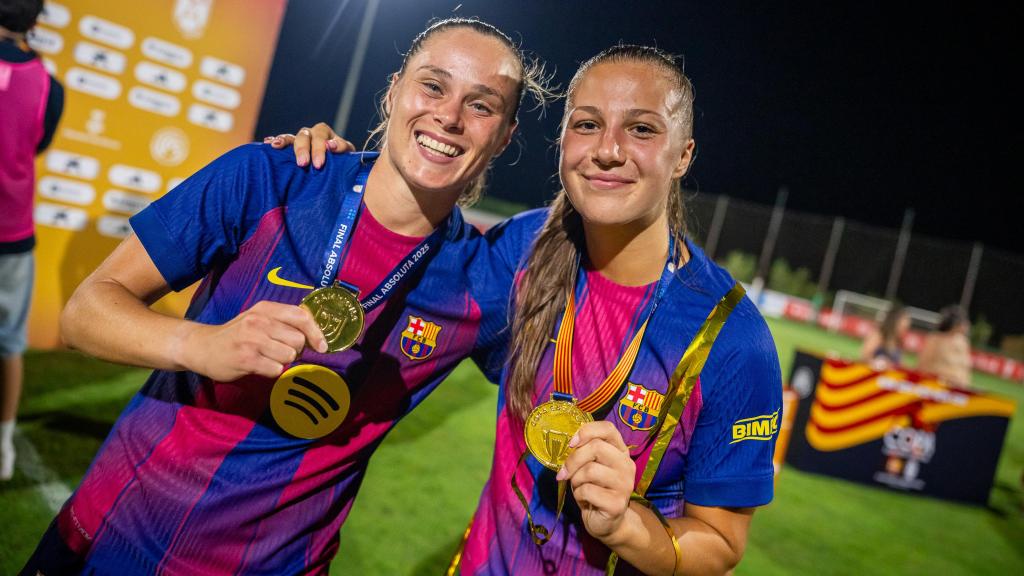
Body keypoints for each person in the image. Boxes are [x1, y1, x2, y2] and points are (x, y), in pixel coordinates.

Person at [21, 17, 550, 575]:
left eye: (482, 105)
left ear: (505, 135)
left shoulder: (481, 283)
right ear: (394, 89)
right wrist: (200, 345)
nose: (449, 116)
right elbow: (86, 311)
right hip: (110, 538)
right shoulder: (271, 178)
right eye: (433, 86)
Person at [290, 43, 781, 575]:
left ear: (683, 154)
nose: (609, 150)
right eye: (588, 124)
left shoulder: (732, 340)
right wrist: (339, 175)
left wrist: (626, 528)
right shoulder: (522, 251)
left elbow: (721, 545)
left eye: (641, 129)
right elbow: (405, 260)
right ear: (563, 140)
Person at [1, 0, 65, 481]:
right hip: (14, 232)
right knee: (9, 345)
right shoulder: (50, 86)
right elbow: (37, 144)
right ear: (36, 18)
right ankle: (2, 445)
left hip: (14, 233)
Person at [917, 305, 972, 388]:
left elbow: (965, 370)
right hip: (936, 387)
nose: (967, 325)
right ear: (955, 324)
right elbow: (923, 365)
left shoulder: (963, 342)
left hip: (957, 390)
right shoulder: (935, 339)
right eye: (964, 322)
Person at [860, 305, 910, 370]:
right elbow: (864, 357)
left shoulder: (898, 342)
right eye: (904, 321)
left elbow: (901, 365)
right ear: (895, 321)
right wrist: (880, 364)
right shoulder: (879, 335)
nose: (907, 325)